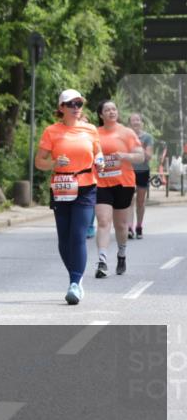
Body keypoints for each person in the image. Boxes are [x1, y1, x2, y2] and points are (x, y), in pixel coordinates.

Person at [35, 89, 105, 305]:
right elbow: (39, 162)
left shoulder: (90, 129)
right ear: (62, 107)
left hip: (86, 186)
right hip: (61, 186)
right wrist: (54, 163)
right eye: (71, 104)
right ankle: (77, 277)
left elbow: (98, 152)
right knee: (64, 240)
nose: (76, 108)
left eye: (79, 104)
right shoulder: (51, 131)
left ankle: (74, 282)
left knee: (78, 235)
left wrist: (100, 161)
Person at [93, 100, 144, 278]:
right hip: (101, 183)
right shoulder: (94, 133)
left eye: (114, 109)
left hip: (123, 183)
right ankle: (102, 261)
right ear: (101, 115)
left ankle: (121, 254)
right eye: (107, 110)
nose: (112, 112)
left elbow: (140, 156)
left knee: (121, 226)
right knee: (103, 221)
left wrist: (124, 156)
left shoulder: (127, 132)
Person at [128, 112, 154, 239]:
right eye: (133, 120)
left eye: (138, 120)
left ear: (142, 122)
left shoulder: (147, 137)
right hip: (128, 171)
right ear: (130, 123)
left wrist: (138, 145)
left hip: (143, 171)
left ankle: (139, 226)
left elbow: (148, 157)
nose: (136, 122)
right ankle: (130, 227)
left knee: (140, 201)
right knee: (129, 200)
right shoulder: (126, 136)